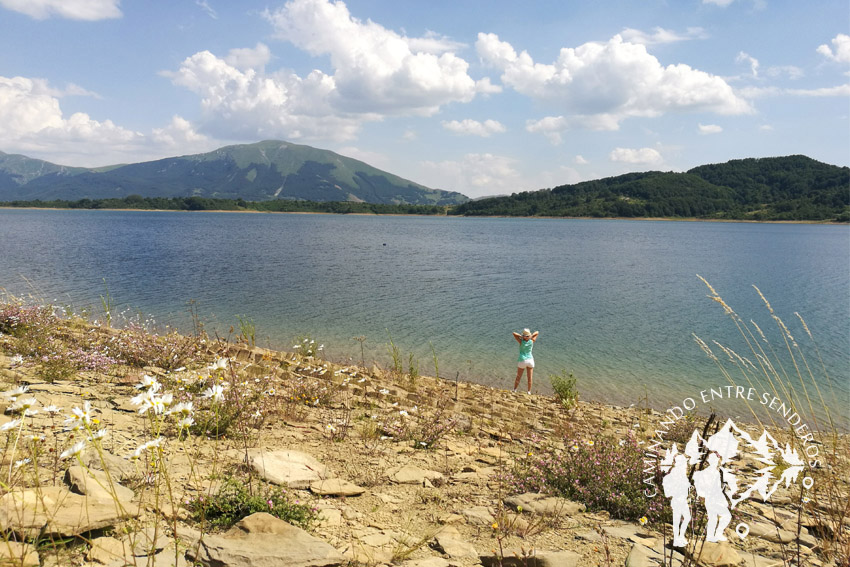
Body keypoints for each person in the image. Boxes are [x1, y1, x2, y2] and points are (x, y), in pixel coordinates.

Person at [512, 328, 538, 394]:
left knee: (518, 376)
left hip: (522, 360)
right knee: (530, 377)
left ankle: (515, 390)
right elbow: (537, 332)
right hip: (530, 360)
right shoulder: (532, 341)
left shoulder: (521, 341)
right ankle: (529, 391)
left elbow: (514, 333)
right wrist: (530, 336)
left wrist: (521, 336)